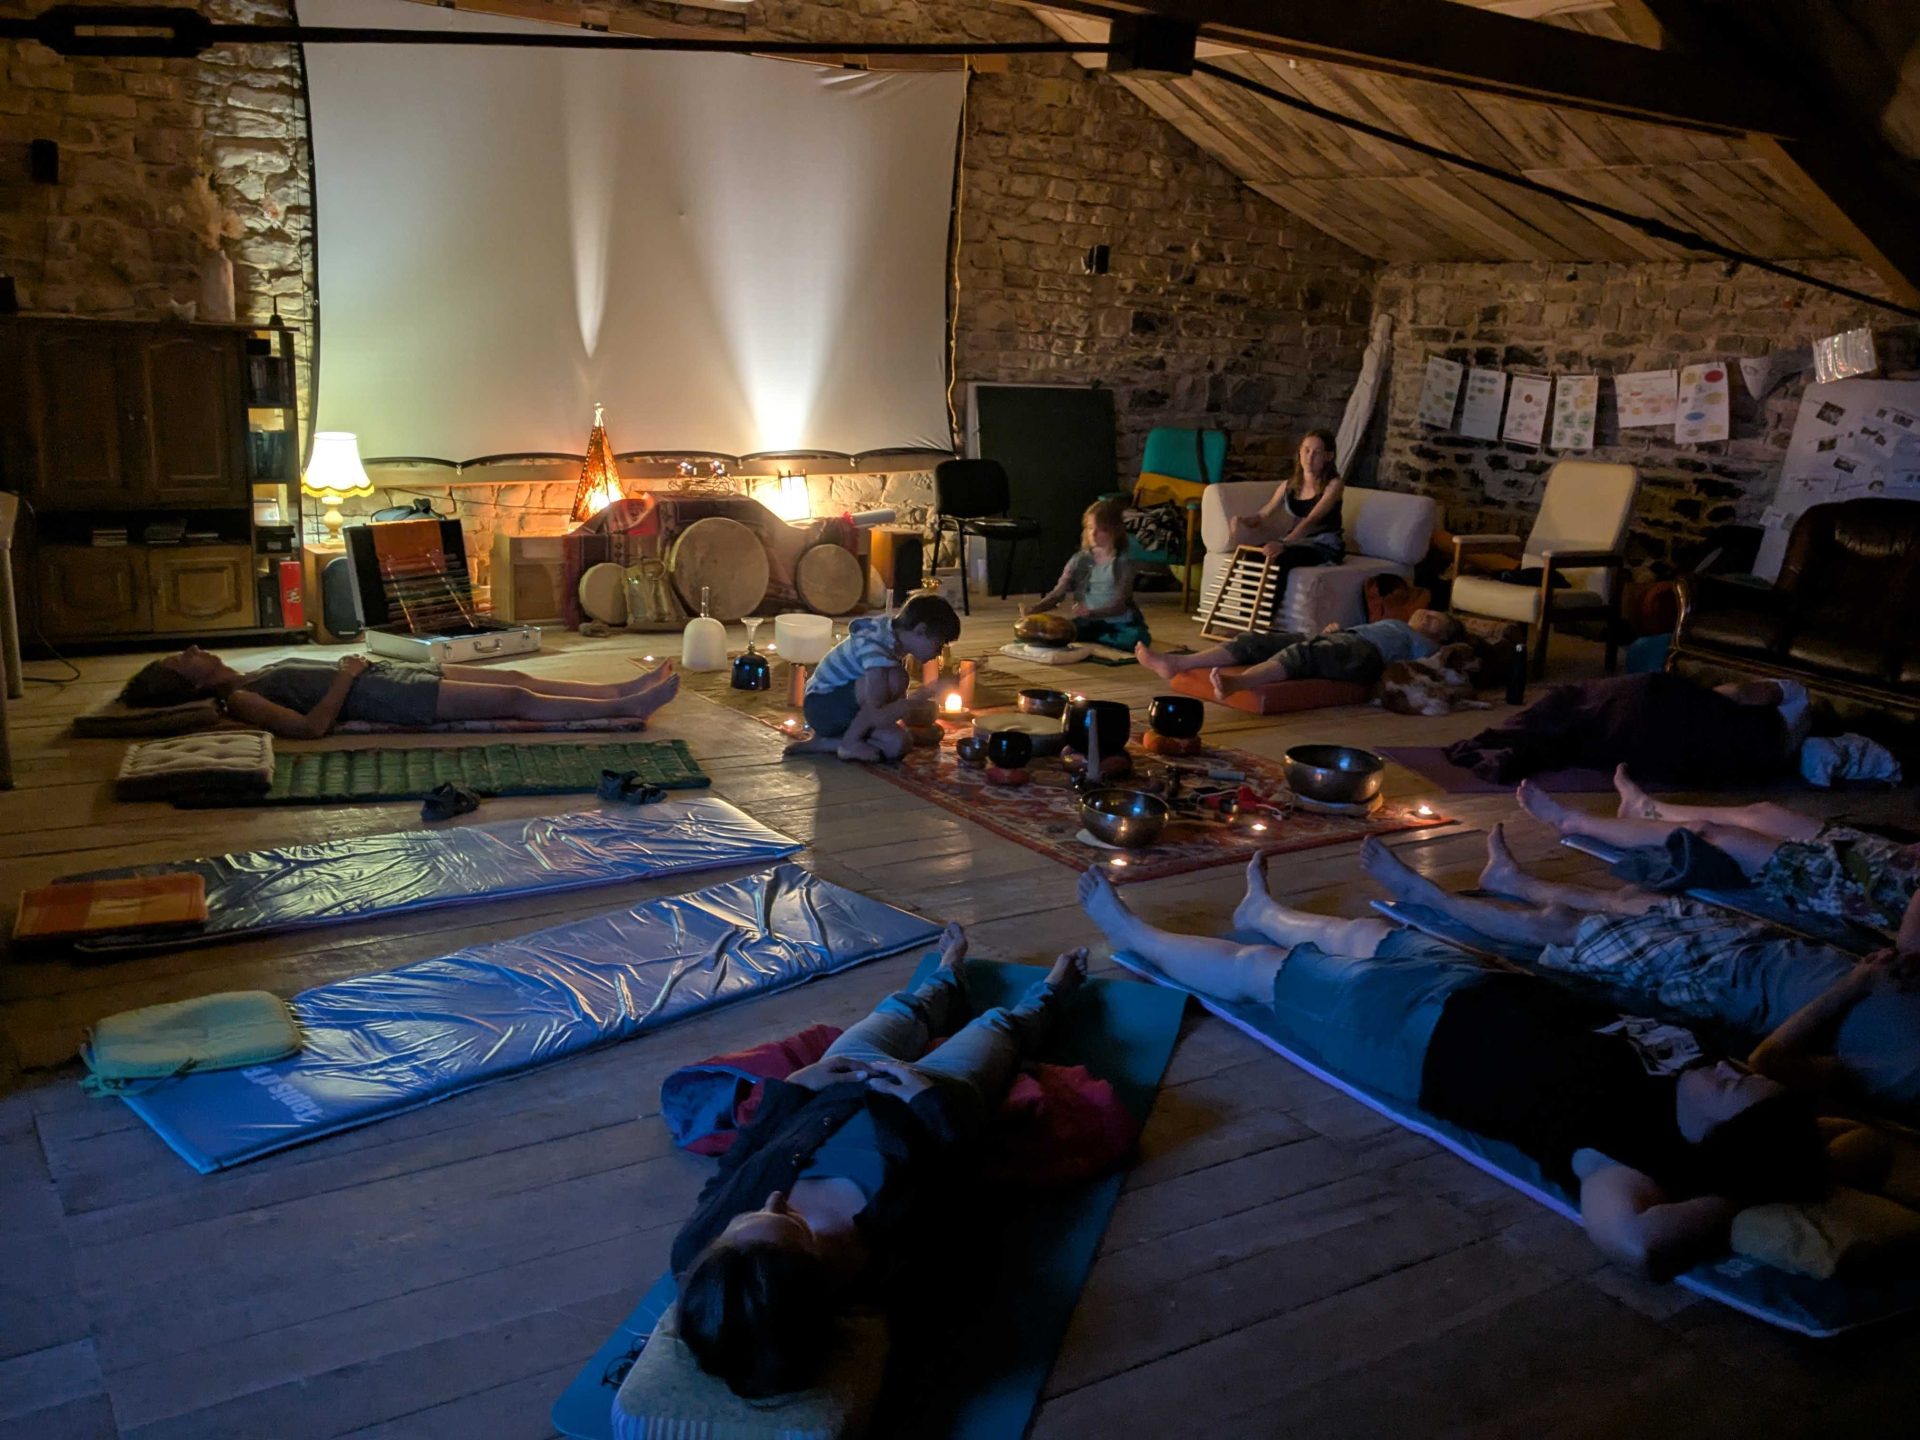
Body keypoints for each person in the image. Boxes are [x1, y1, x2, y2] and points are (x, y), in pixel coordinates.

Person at [1077, 862, 1829, 1278]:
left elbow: (1633, 1244)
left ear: (1718, 1143)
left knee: (1257, 972)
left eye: (1735, 1086)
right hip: (1484, 986)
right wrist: (1853, 986)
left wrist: (1736, 1197)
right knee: (1368, 931)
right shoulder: (1704, 1074)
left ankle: (1133, 932)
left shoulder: (1620, 1154)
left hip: (1407, 1035)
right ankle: (1263, 908)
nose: (1733, 1068)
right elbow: (1778, 1063)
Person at [671, 925, 1088, 1398]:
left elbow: (735, 1164)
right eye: (788, 1218)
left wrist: (798, 1086)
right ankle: (1054, 993)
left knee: (900, 1011)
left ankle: (947, 978)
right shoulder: (888, 1265)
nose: (772, 1197)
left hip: (835, 1087)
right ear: (816, 1270)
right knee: (996, 1028)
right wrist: (928, 1101)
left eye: (742, 1220)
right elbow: (965, 1181)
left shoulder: (695, 1250)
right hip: (932, 1095)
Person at [1359, 828, 1920, 1118]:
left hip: (1725, 979)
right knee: (1639, 901)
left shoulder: (1902, 1074)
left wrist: (1854, 985)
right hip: (1769, 947)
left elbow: (1770, 1062)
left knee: (1564, 928)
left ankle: (1423, 893)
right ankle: (1514, 880)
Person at [1519, 767, 1920, 934]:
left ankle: (1573, 822)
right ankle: (1647, 809)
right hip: (1881, 856)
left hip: (1860, 886)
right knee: (1762, 812)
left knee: (1713, 836)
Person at [117, 645, 679, 739]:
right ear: (189, 680)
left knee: (516, 679)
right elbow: (309, 730)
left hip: (392, 678)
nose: (195, 649)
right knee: (516, 703)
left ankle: (618, 686)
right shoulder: (238, 701)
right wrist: (346, 677)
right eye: (184, 657)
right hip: (394, 700)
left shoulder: (245, 677)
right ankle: (624, 707)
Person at [1442, 672, 1812, 786]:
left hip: (1669, 716)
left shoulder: (1795, 695)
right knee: (1588, 711)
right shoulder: (1784, 750)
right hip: (1681, 749)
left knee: (1593, 702)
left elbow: (1733, 695)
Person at [782, 592, 962, 763]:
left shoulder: (895, 644)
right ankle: (848, 745)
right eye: (938, 645)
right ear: (920, 630)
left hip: (852, 714)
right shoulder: (875, 643)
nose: (938, 653)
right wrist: (912, 702)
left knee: (898, 745)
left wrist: (919, 700)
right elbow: (877, 708)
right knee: (896, 678)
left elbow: (884, 712)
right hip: (823, 707)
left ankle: (826, 744)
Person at [1136, 609, 1462, 697]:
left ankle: (1242, 683)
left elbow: (1435, 663)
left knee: (1304, 653)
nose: (1426, 614)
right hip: (1347, 640)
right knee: (1257, 642)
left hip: (1365, 655)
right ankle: (1178, 663)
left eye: (1435, 619)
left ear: (1439, 635)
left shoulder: (1425, 643)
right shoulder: (1397, 623)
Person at [1222, 429, 1347, 591]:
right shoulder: (1288, 486)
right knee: (1252, 556)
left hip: (1323, 546)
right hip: (1296, 542)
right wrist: (1242, 521)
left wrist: (1284, 543)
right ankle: (1248, 614)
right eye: (1306, 450)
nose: (1310, 457)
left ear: (1328, 456)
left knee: (1280, 558)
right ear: (1300, 452)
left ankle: (1267, 615)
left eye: (1317, 452)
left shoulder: (1334, 485)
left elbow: (1311, 520)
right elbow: (1263, 515)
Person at [1021, 498, 1149, 650]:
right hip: (1089, 621)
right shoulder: (1079, 560)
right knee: (1053, 633)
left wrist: (1092, 612)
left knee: (1135, 639)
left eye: (1101, 529)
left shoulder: (1124, 563)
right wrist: (1036, 608)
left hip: (1120, 623)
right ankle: (1097, 637)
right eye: (1089, 528)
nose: (1093, 534)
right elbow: (1059, 592)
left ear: (1114, 531)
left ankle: (1099, 638)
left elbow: (1119, 605)